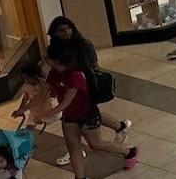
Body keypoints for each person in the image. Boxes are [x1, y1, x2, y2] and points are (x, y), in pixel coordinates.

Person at [42, 47, 138, 177]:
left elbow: (66, 101)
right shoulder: (54, 72)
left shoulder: (75, 74)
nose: (45, 60)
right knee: (73, 148)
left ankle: (129, 152)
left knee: (96, 144)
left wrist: (45, 116)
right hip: (69, 117)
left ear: (54, 60)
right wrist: (24, 108)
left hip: (87, 114)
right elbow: (45, 90)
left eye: (47, 58)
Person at [44, 17, 130, 155]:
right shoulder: (53, 49)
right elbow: (53, 66)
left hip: (83, 85)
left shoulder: (83, 44)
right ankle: (120, 126)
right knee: (90, 114)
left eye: (68, 28)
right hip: (68, 86)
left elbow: (94, 66)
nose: (66, 32)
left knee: (88, 114)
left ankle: (119, 132)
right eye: (61, 30)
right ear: (54, 33)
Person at [9, 62, 54, 130]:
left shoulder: (43, 84)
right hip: (34, 109)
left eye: (26, 78)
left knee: (36, 120)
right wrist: (21, 108)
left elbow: (38, 98)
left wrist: (23, 109)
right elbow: (26, 97)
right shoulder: (27, 85)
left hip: (45, 107)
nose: (25, 80)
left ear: (33, 77)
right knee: (30, 125)